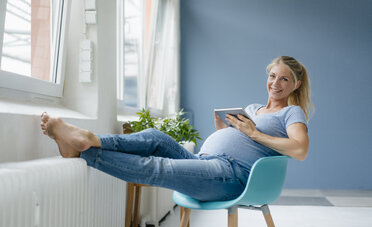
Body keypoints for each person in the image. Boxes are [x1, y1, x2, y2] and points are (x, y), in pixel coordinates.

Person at [40, 56, 312, 202]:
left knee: (157, 166)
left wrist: (253, 134)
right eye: (272, 75)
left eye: (284, 79)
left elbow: (300, 150)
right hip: (207, 162)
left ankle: (83, 152)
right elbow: (240, 142)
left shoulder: (292, 112)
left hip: (232, 177)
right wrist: (222, 130)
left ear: (295, 85)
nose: (276, 83)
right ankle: (90, 139)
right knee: (154, 137)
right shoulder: (253, 107)